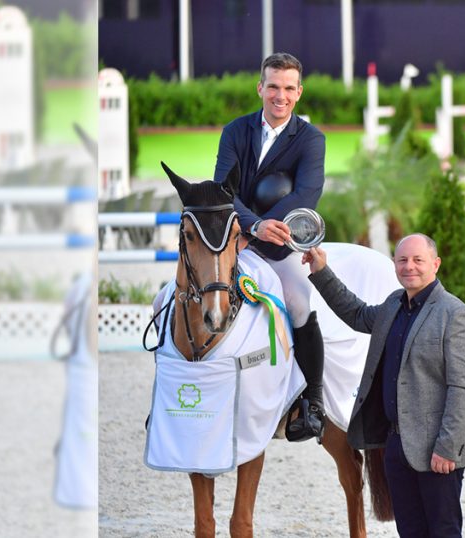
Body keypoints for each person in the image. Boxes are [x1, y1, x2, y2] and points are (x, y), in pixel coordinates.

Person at [303, 234, 465, 537]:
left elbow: (462, 388)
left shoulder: (456, 315)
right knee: (409, 531)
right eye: (402, 260)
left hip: (437, 450)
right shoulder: (393, 305)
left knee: (443, 531)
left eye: (418, 260)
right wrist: (321, 271)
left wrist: (447, 448)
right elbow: (355, 313)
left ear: (435, 264)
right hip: (396, 445)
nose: (409, 266)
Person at [212, 52, 326, 442]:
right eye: (273, 86)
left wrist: (266, 229)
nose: (280, 95)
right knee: (188, 291)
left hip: (282, 244)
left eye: (289, 88)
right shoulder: (235, 132)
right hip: (236, 237)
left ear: (299, 93)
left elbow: (308, 192)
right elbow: (222, 188)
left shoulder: (311, 140)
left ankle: (312, 401)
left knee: (298, 300)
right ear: (260, 87)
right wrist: (252, 224)